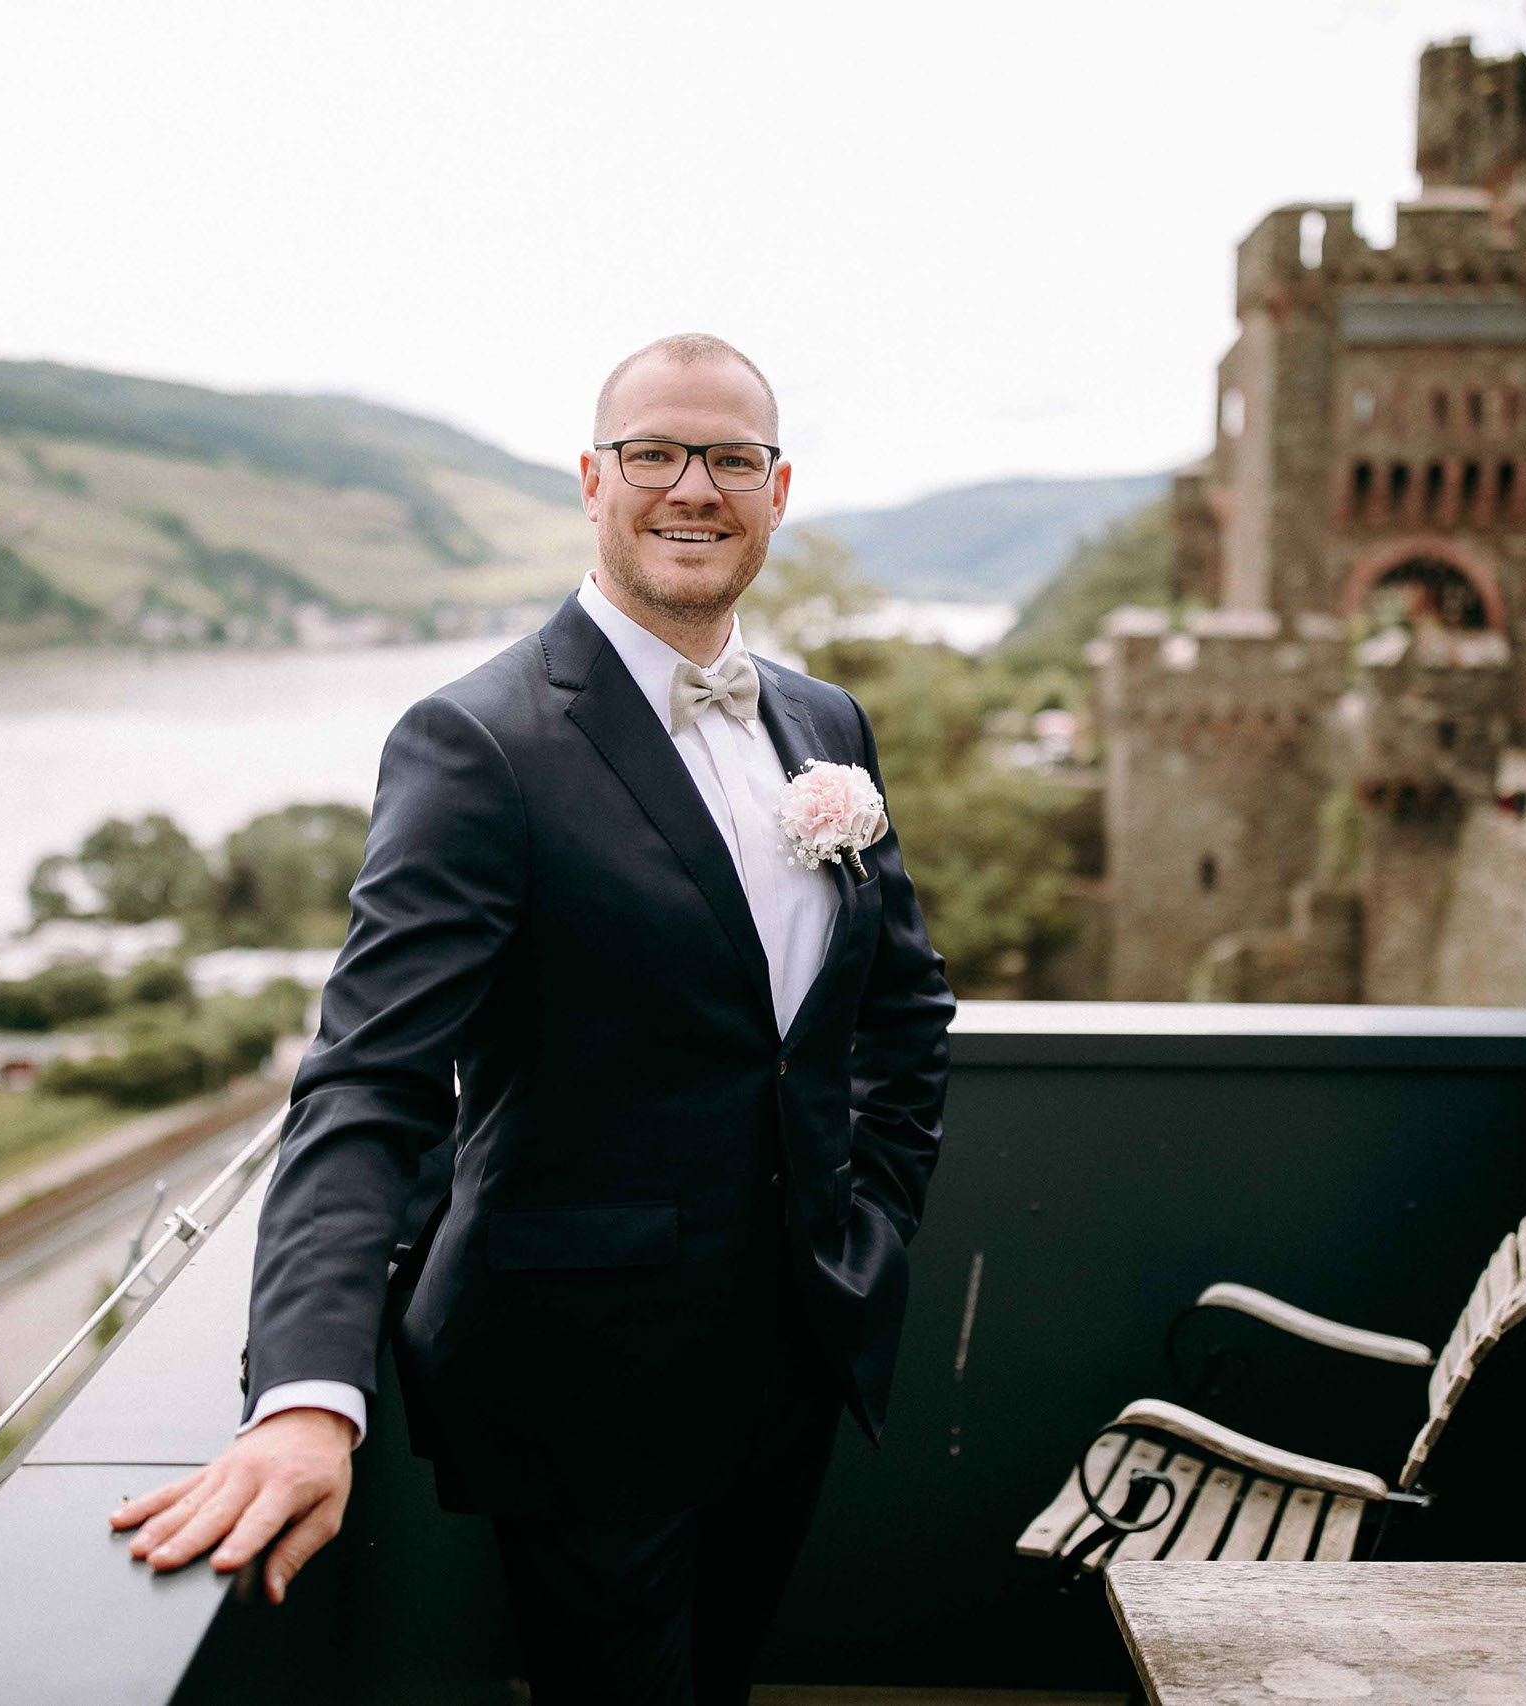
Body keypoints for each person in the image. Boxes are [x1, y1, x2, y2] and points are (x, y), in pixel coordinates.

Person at [111, 332, 955, 1705]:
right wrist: (310, 1393)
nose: (694, 487)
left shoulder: (824, 723)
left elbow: (900, 1009)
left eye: (731, 458)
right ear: (591, 480)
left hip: (798, 1351)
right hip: (581, 1388)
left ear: (779, 488)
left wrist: (873, 1220)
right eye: (655, 454)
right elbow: (368, 1080)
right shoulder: (479, 742)